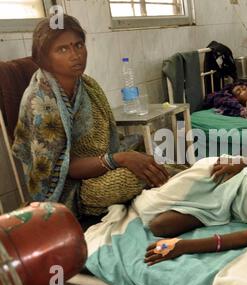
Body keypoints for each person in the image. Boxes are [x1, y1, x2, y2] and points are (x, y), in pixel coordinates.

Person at [12, 15, 170, 219]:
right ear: (45, 58)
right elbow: (62, 169)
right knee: (132, 177)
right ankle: (179, 179)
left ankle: (181, 176)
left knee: (152, 149)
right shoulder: (41, 103)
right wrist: (119, 159)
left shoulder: (88, 86)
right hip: (72, 189)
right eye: (62, 49)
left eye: (78, 45)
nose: (75, 55)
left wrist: (123, 156)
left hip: (100, 167)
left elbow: (107, 142)